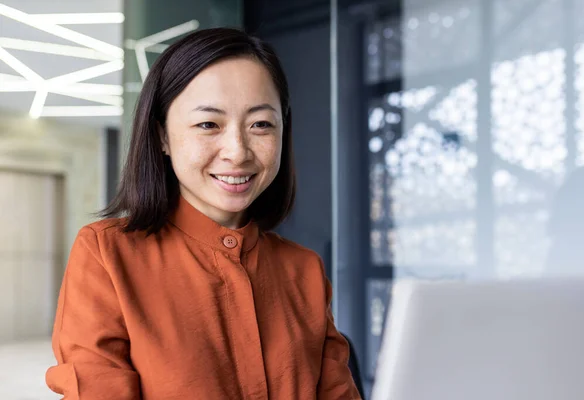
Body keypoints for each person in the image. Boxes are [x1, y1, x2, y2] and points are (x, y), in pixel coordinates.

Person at [45, 28, 361, 399]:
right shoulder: (107, 255)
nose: (238, 151)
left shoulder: (303, 270)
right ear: (162, 136)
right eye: (208, 124)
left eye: (260, 124)